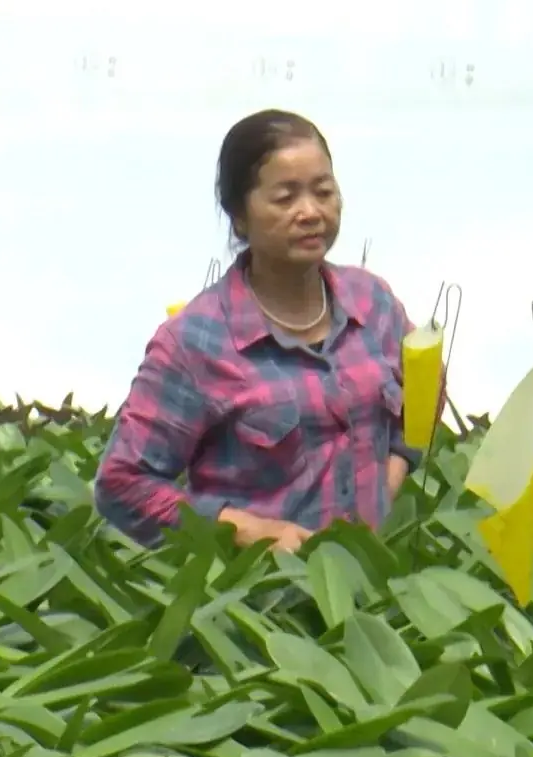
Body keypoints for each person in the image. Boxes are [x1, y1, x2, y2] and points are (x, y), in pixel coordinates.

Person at [95, 109, 419, 552]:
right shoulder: (196, 342)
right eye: (286, 198)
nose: (310, 212)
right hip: (251, 605)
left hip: (364, 591)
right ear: (239, 215)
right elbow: (122, 484)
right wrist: (248, 532)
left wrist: (394, 468)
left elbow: (425, 384)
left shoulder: (373, 303)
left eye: (324, 192)